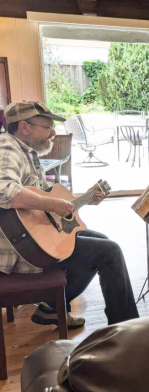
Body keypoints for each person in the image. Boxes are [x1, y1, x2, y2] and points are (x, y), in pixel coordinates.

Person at [0, 101, 139, 328]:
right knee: (109, 251)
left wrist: (81, 201)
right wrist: (54, 204)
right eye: (47, 127)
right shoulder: (7, 147)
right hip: (18, 249)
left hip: (30, 239)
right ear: (24, 127)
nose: (53, 133)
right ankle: (127, 328)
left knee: (102, 241)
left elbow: (39, 206)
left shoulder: (27, 152)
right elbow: (4, 190)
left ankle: (53, 308)